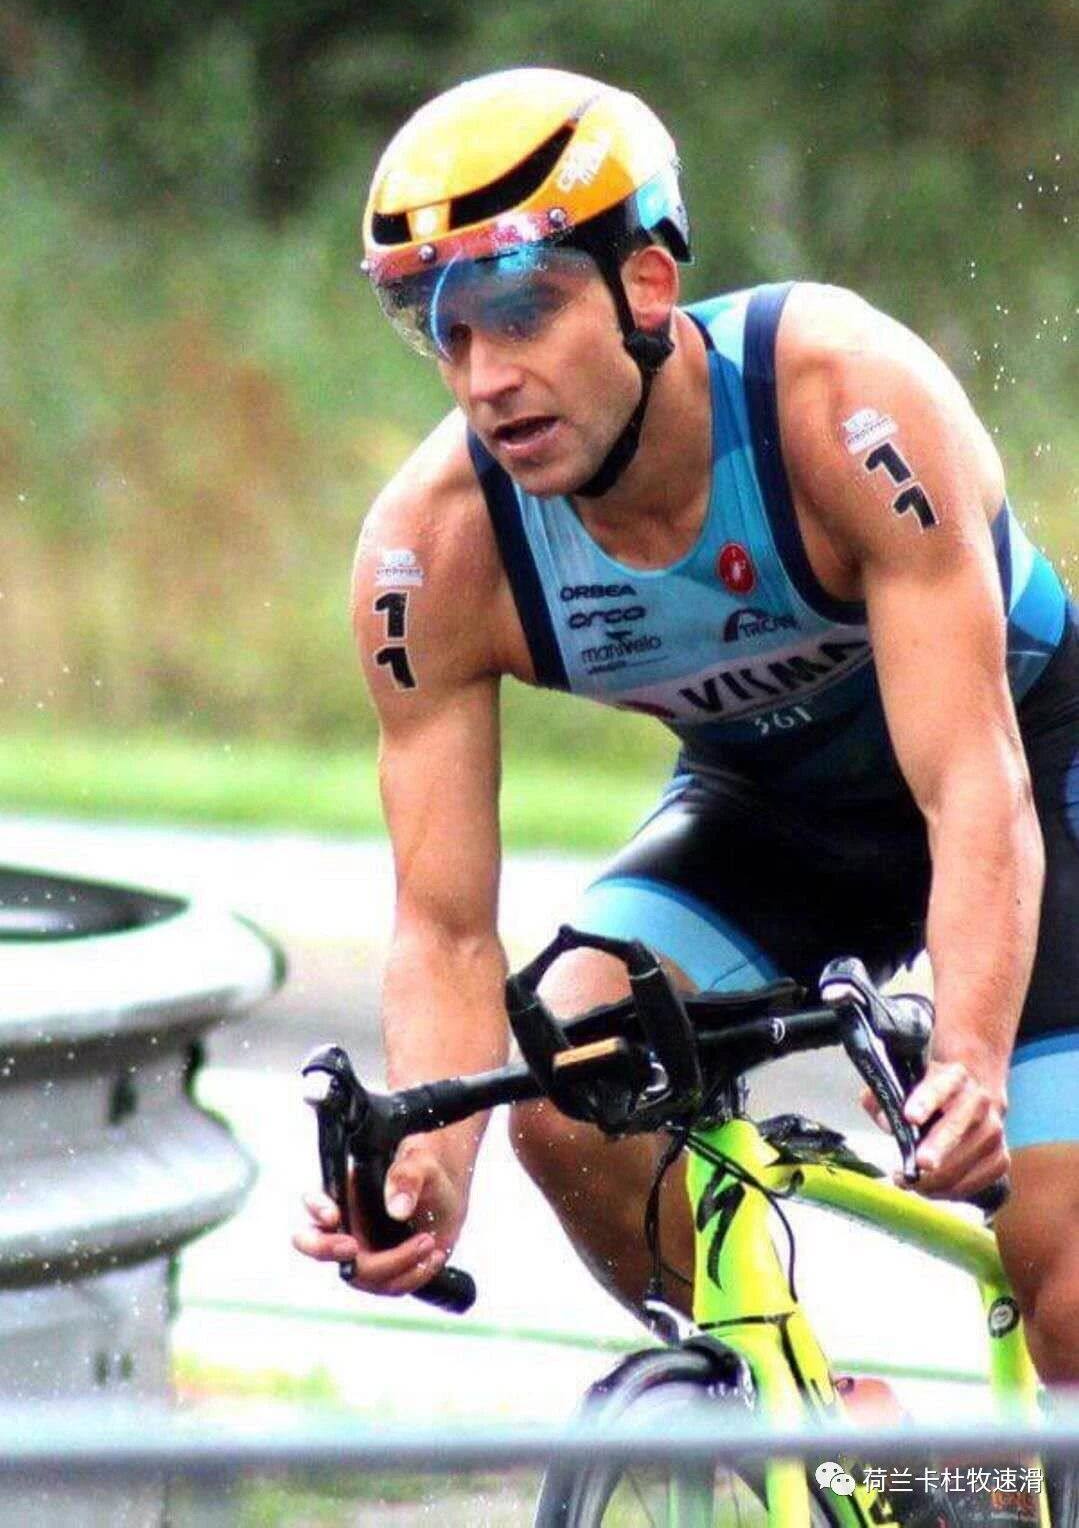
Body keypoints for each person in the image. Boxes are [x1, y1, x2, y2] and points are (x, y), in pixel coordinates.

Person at [294, 68, 1079, 1383]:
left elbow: (972, 783)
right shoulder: (435, 553)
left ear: (648, 283)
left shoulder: (840, 402)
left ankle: (988, 1469)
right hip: (770, 814)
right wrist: (432, 1161)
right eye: (446, 334)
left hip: (1030, 776)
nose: (487, 379)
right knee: (568, 1091)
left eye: (523, 312)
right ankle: (817, 1431)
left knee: (1066, 1279)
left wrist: (969, 1063)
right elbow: (444, 929)